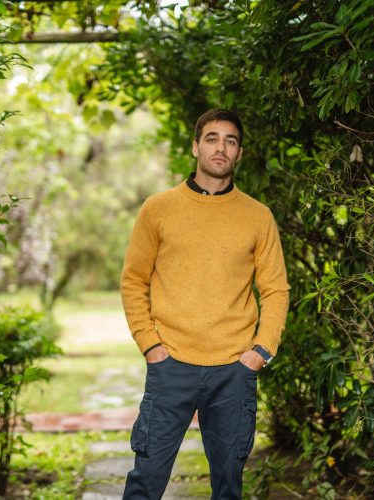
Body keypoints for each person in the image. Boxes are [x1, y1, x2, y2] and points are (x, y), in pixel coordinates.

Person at [120, 109, 290, 499]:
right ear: (196, 147)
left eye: (230, 141)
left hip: (233, 370)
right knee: (146, 480)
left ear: (239, 153)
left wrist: (261, 351)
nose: (221, 148)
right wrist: (150, 345)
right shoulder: (158, 209)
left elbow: (275, 290)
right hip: (170, 365)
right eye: (212, 138)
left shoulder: (258, 216)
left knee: (229, 486)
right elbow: (133, 280)